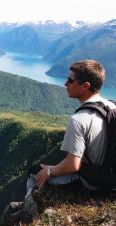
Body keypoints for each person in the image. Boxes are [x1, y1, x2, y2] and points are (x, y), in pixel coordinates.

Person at [28, 60, 116, 195]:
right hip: (110, 176)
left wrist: (50, 171)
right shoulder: (112, 107)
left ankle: (29, 207)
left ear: (85, 86)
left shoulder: (78, 120)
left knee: (34, 172)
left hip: (92, 183)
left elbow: (73, 165)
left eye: (70, 80)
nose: (65, 84)